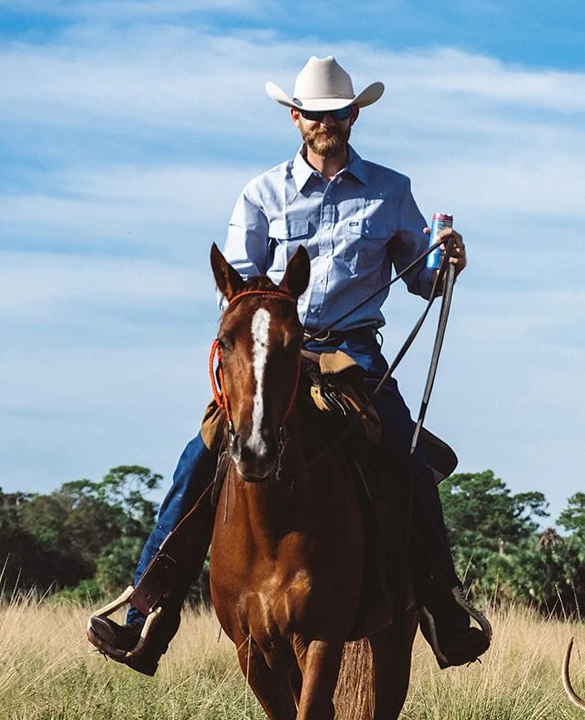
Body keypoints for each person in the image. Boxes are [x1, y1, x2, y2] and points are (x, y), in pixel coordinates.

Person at [88, 56, 490, 674]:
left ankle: (442, 607)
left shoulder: (392, 191)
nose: (324, 122)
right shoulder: (261, 193)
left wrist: (447, 262)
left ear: (354, 115)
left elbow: (424, 281)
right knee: (199, 456)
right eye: (313, 113)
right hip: (274, 354)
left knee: (407, 461)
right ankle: (147, 612)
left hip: (355, 355)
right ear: (295, 117)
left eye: (336, 113)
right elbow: (239, 290)